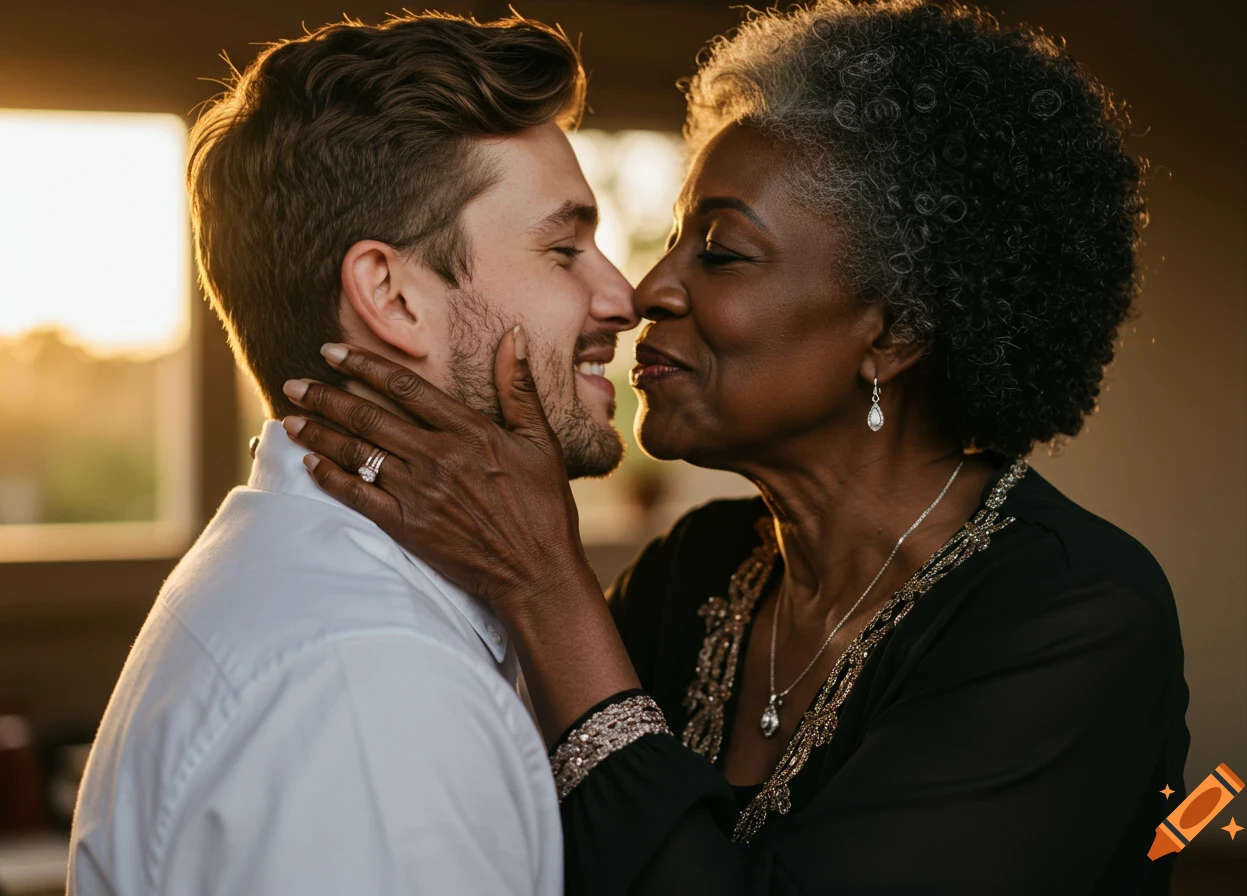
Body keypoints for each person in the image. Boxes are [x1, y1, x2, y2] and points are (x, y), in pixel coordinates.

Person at [284, 1, 1190, 894]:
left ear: (895, 332)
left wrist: (548, 586)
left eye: (719, 251)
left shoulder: (1073, 617)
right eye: (673, 240)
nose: (644, 292)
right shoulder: (693, 573)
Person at [68, 12, 636, 896]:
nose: (622, 296)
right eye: (564, 248)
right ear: (391, 296)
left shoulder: (300, 584)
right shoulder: (373, 687)